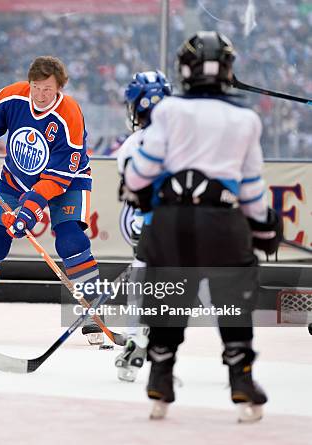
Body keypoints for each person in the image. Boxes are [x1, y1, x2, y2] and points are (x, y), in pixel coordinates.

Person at [123, 31, 282, 422]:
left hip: (171, 222)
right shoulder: (246, 118)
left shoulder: (169, 112)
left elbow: (141, 174)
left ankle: (160, 376)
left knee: (168, 297)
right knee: (234, 297)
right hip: (223, 225)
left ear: (184, 70)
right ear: (228, 69)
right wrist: (264, 228)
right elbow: (250, 188)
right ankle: (241, 379)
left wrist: (134, 187)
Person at [0, 56, 104, 345]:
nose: (40, 95)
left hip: (68, 182)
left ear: (59, 88)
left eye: (47, 89)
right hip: (16, 178)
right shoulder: (16, 94)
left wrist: (29, 210)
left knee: (71, 240)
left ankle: (94, 310)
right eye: (36, 87)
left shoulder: (69, 115)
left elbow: (57, 179)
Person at [114, 70, 172, 382]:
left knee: (142, 275)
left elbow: (132, 197)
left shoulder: (131, 146)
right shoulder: (190, 136)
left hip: (152, 227)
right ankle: (236, 357)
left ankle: (134, 341)